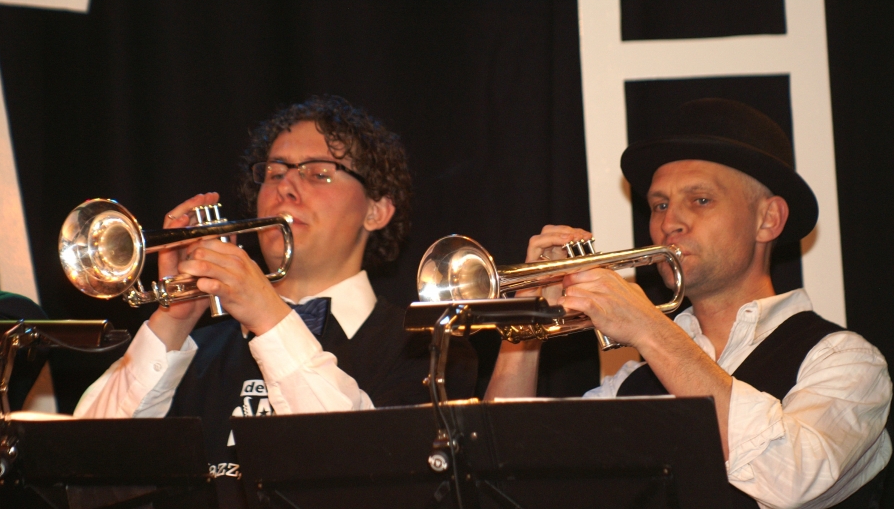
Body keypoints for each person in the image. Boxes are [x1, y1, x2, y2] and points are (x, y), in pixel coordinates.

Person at [485, 98, 891, 508]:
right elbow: (504, 475)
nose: (668, 223)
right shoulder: (630, 383)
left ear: (767, 219)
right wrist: (526, 324)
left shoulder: (846, 362)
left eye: (700, 200)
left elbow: (792, 480)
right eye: (659, 205)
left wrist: (649, 328)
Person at [74, 95, 476, 507]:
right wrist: (173, 319)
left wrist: (268, 316)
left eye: (319, 173)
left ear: (376, 211)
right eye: (274, 172)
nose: (286, 186)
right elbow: (83, 472)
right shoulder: (196, 348)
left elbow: (367, 475)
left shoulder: (427, 345)